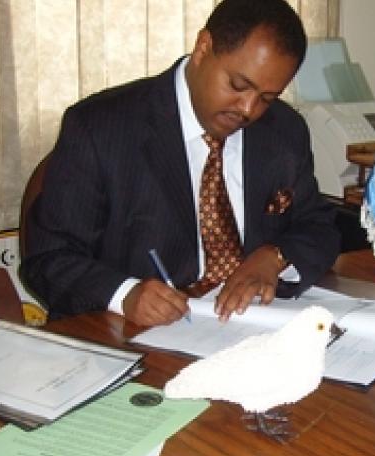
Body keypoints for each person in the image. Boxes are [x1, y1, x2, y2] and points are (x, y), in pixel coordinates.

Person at [21, 0, 340, 326]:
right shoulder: (100, 128)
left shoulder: (284, 130)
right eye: (238, 85)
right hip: (132, 336)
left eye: (267, 98)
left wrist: (274, 257)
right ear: (203, 48)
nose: (248, 109)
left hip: (251, 331)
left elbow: (318, 226)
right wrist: (124, 294)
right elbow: (48, 259)